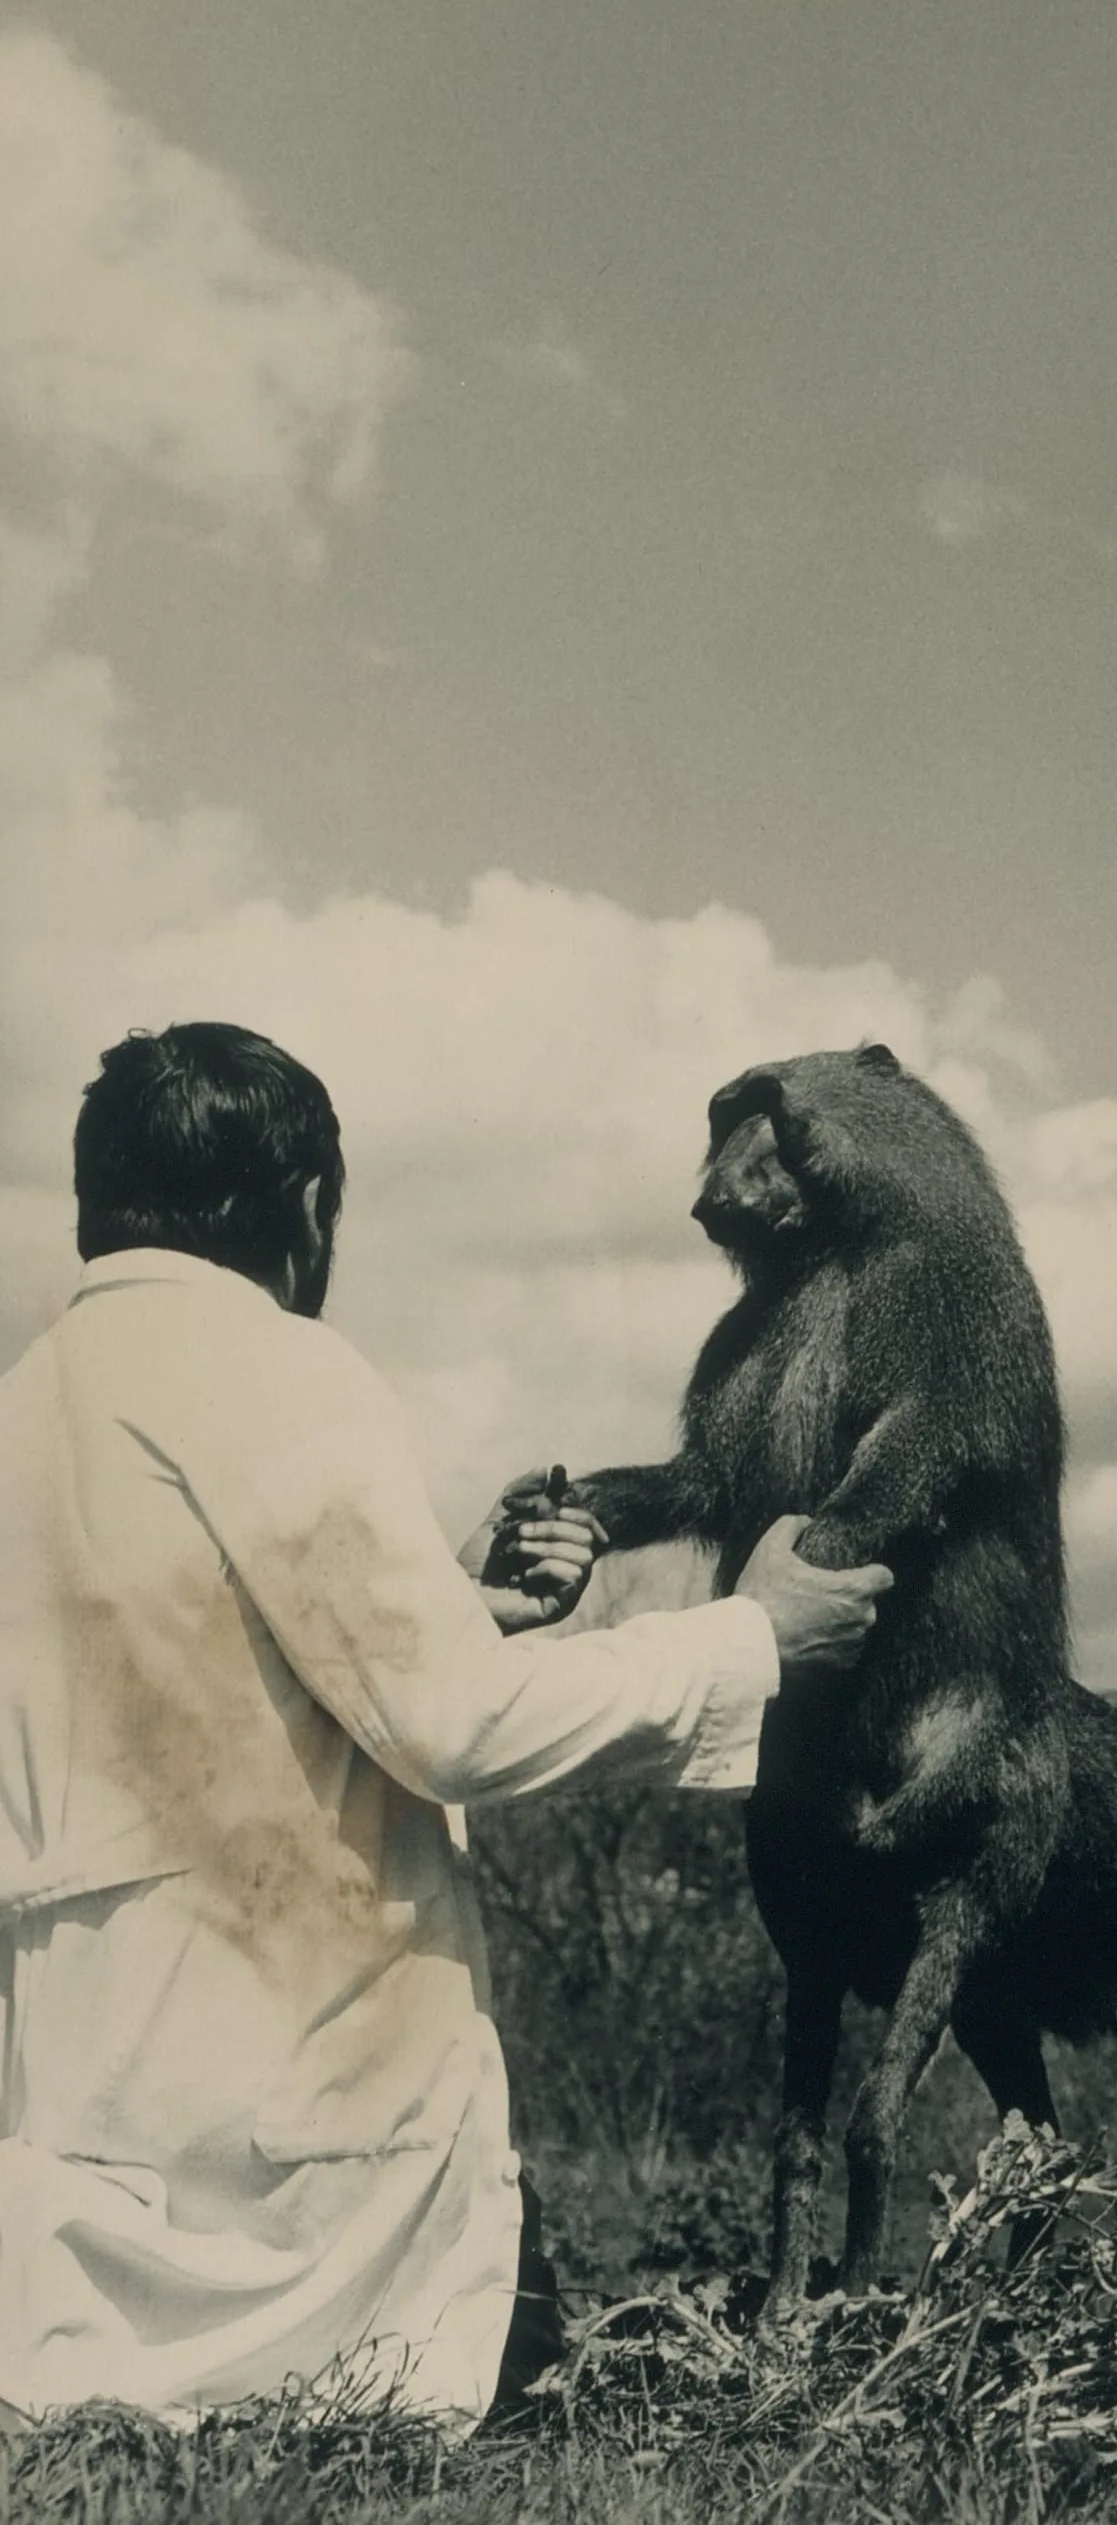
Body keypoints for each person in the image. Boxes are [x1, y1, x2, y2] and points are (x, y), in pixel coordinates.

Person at [0, 1022, 892, 2432]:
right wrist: (751, 1636)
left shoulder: (29, 1402)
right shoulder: (272, 1365)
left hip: (85, 2120)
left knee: (105, 2410)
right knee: (437, 2400)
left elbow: (194, 1675)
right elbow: (460, 1732)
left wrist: (450, 1603)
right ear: (305, 1204)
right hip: (300, 2124)